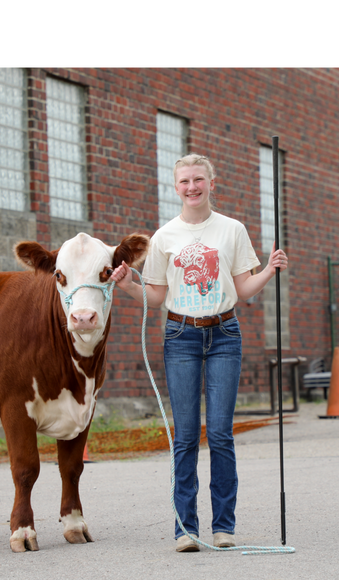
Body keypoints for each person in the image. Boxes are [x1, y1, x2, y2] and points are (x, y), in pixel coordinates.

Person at [111, 154, 288, 552]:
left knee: (221, 434)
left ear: (212, 182)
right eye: (184, 181)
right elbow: (155, 297)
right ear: (176, 187)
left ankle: (223, 527)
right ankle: (185, 530)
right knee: (187, 436)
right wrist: (125, 285)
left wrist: (269, 270)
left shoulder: (232, 229)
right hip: (181, 336)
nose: (192, 187)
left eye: (198, 179)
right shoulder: (164, 237)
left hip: (225, 333)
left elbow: (242, 289)